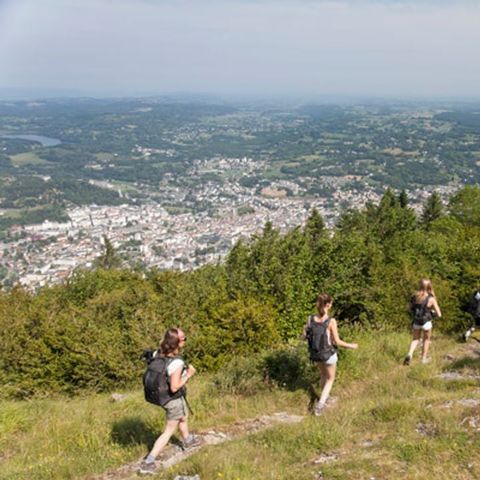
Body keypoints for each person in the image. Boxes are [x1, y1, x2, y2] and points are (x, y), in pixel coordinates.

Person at [139, 328, 199, 475]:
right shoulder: (176, 363)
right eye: (184, 338)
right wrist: (189, 375)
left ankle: (188, 440)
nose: (185, 340)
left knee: (183, 416)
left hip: (162, 397)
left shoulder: (158, 353)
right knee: (169, 431)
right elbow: (175, 387)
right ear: (177, 342)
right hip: (172, 399)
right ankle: (148, 462)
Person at [304, 293, 358, 416]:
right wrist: (351, 345)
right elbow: (337, 342)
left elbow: (305, 336)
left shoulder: (310, 318)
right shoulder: (331, 321)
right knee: (330, 379)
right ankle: (320, 406)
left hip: (315, 354)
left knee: (323, 375)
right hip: (328, 354)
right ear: (328, 305)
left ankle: (324, 397)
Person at [404, 279, 442, 366]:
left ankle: (409, 354)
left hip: (416, 321)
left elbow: (409, 308)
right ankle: (423, 359)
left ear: (419, 285)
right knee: (426, 340)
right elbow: (439, 314)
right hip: (426, 323)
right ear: (429, 286)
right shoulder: (431, 298)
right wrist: (432, 313)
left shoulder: (414, 297)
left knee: (415, 339)